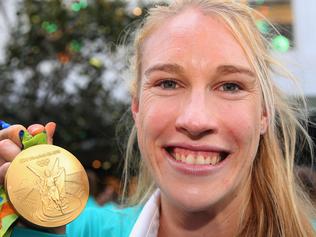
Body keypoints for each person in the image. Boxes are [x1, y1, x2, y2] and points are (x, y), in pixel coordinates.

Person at [0, 0, 315, 236]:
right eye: (168, 83)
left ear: (263, 113)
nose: (195, 119)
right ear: (137, 107)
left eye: (230, 86)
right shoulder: (70, 229)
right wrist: (31, 219)